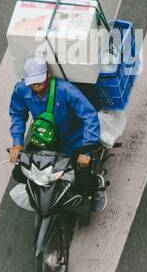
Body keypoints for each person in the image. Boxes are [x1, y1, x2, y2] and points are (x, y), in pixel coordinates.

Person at [9, 56, 107, 210]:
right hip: (45, 141)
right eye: (32, 82)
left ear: (48, 75)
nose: (35, 85)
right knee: (20, 173)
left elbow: (89, 115)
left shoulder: (66, 90)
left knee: (85, 182)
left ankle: (98, 184)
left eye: (39, 81)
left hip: (74, 140)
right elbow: (17, 114)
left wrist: (86, 150)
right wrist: (17, 143)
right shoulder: (21, 90)